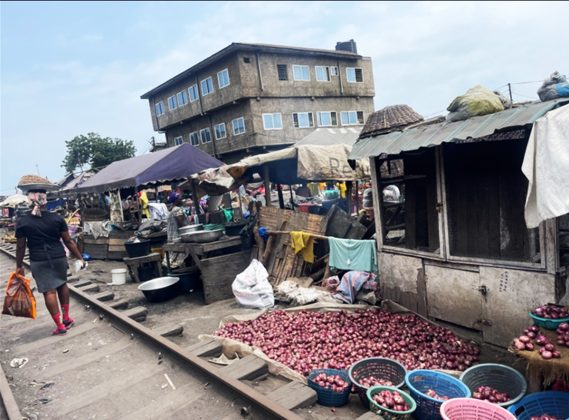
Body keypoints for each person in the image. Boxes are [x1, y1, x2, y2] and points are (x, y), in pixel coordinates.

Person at [15, 188, 86, 336]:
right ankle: (66, 317)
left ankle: (60, 325)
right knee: (62, 284)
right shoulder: (57, 219)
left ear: (30, 201)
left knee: (49, 291)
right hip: (59, 257)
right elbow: (68, 241)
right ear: (45, 201)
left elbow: (21, 246)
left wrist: (19, 265)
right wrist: (80, 257)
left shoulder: (23, 222)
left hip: (39, 260)